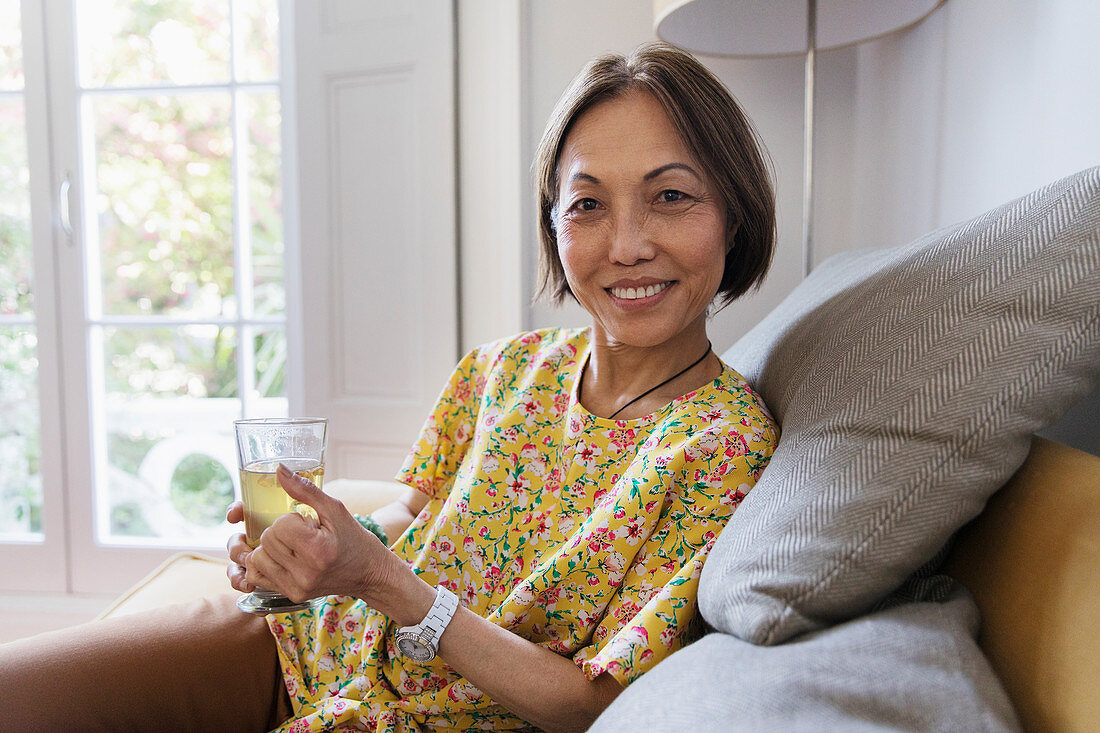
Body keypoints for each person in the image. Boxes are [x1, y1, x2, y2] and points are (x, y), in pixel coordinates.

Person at [1, 42, 778, 732]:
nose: (629, 244)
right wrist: (314, 550)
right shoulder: (502, 370)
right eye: (588, 205)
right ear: (554, 226)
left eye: (671, 196)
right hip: (299, 643)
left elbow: (592, 705)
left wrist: (387, 584)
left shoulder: (722, 446)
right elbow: (407, 514)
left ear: (733, 215)